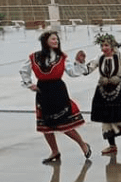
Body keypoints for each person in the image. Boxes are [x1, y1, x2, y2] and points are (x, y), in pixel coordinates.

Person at [20, 30, 92, 164]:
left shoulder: (62, 57)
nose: (56, 41)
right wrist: (30, 85)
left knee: (63, 123)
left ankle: (83, 144)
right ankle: (55, 151)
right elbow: (24, 71)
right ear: (45, 41)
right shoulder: (34, 57)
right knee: (45, 126)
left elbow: (72, 72)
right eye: (53, 39)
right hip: (43, 92)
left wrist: (80, 62)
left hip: (58, 91)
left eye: (57, 40)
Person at [79, 32, 121, 155]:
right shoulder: (99, 58)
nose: (104, 48)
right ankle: (112, 146)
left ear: (113, 46)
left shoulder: (120, 57)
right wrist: (81, 63)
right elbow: (87, 71)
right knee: (106, 120)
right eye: (102, 46)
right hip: (102, 91)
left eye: (106, 45)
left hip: (118, 91)